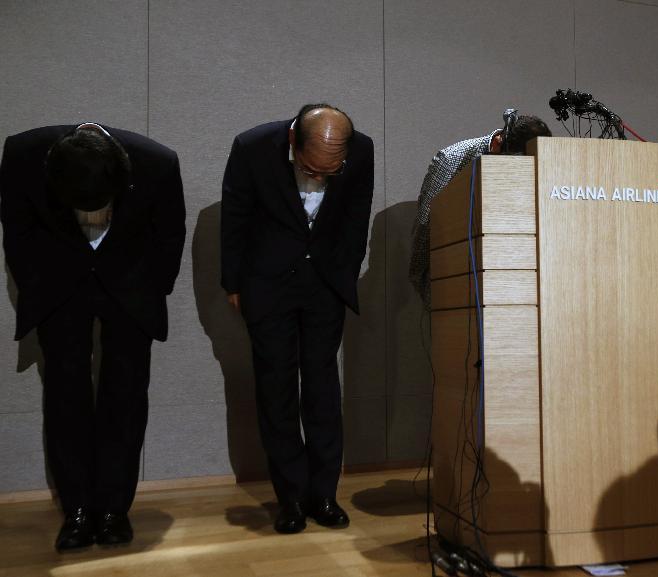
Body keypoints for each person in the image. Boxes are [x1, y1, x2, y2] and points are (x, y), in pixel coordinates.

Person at [0, 123, 186, 551]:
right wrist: (35, 284)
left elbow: (170, 232)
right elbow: (16, 228)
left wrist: (152, 288)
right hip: (59, 283)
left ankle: (114, 510)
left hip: (130, 286)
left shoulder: (156, 162)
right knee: (66, 393)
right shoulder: (24, 155)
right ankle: (78, 510)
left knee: (126, 394)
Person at [221, 104, 374, 533]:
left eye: (332, 171)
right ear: (294, 141)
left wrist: (343, 275)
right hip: (267, 284)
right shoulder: (252, 147)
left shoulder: (362, 151)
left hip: (324, 284)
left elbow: (355, 218)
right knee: (277, 388)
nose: (321, 177)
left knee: (324, 388)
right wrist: (234, 283)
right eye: (312, 168)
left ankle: (323, 495)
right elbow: (235, 216)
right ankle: (290, 497)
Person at [408, 114, 551, 307]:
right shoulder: (451, 160)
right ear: (500, 142)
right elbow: (426, 227)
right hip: (454, 282)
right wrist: (422, 282)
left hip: (513, 282)